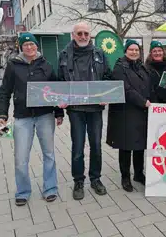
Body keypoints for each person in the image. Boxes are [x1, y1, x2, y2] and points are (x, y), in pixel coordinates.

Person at [0, 32, 64, 206]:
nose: (29, 47)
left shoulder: (47, 65)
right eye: (25, 45)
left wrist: (59, 113)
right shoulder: (13, 65)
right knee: (20, 158)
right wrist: (2, 115)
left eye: (32, 44)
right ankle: (23, 191)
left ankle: (50, 188)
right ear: (21, 47)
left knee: (49, 154)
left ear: (37, 46)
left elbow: (55, 91)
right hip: (22, 117)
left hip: (45, 116)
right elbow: (5, 91)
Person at [58, 22, 111, 200]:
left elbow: (108, 77)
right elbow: (59, 82)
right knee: (78, 147)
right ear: (73, 35)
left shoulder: (99, 53)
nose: (83, 36)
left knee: (96, 145)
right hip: (75, 110)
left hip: (96, 108)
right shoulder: (64, 55)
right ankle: (78, 181)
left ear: (90, 36)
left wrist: (106, 95)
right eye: (79, 33)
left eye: (86, 33)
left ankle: (95, 179)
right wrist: (61, 99)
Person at [107, 39, 151, 192]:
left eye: (136, 50)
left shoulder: (142, 67)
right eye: (131, 50)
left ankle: (139, 173)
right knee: (126, 146)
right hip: (125, 112)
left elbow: (148, 86)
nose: (134, 52)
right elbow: (126, 89)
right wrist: (144, 102)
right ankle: (125, 176)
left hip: (141, 112)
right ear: (125, 51)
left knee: (140, 144)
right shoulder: (119, 68)